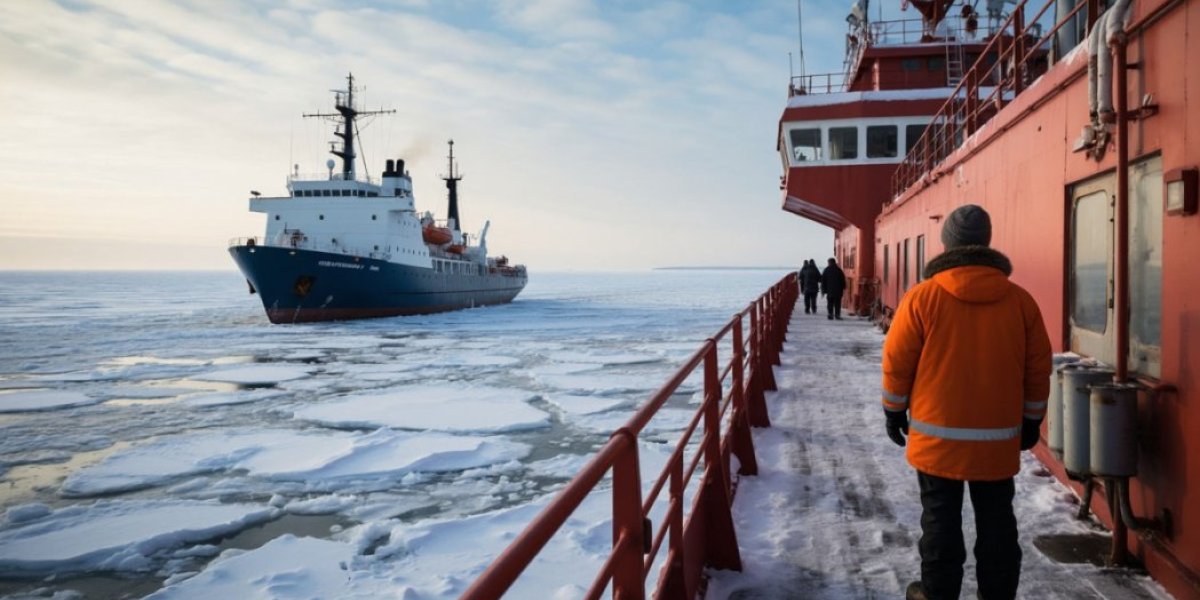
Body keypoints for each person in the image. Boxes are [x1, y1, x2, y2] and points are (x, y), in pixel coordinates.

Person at [881, 204, 1052, 600]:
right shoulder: (1020, 301)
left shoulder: (921, 298)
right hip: (997, 441)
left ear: (947, 245)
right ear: (986, 242)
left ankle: (936, 593)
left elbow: (897, 362)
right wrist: (1031, 420)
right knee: (997, 524)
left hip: (936, 441)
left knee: (940, 521)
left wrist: (893, 410)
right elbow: (1037, 368)